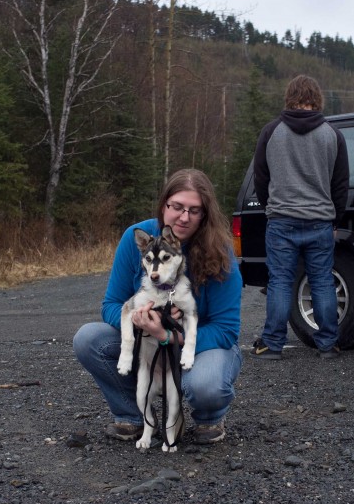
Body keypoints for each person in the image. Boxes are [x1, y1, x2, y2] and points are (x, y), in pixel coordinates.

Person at [73, 168, 242, 445]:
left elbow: (226, 330)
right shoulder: (136, 238)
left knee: (206, 384)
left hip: (200, 345)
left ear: (205, 215)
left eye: (194, 210)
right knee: (89, 339)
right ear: (164, 204)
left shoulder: (219, 250)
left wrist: (171, 336)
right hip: (147, 340)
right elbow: (112, 304)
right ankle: (133, 415)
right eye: (177, 207)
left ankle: (209, 418)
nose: (184, 217)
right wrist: (141, 321)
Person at [250, 74, 349, 360]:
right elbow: (341, 184)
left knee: (280, 281)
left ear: (289, 97)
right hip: (320, 221)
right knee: (321, 281)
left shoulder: (271, 132)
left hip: (281, 220)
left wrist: (274, 207)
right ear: (316, 99)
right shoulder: (333, 134)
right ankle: (328, 344)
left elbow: (260, 177)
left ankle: (272, 344)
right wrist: (335, 221)